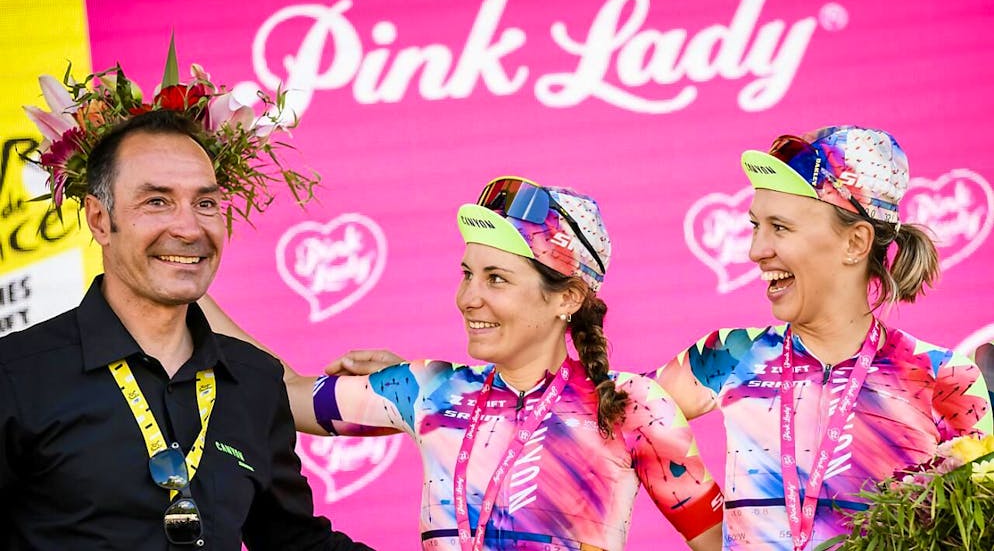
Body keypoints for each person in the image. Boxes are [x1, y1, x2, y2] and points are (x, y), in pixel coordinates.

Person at [208, 176, 724, 550]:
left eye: (495, 279)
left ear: (566, 298)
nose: (467, 298)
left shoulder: (632, 406)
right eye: (467, 274)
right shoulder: (431, 390)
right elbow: (284, 392)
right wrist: (176, 295)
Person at [0, 108, 372, 549]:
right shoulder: (18, 376)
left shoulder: (253, 381)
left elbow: (294, 542)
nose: (188, 227)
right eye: (157, 201)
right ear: (100, 220)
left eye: (206, 203)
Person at [648, 125, 993, 550]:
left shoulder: (943, 377)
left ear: (855, 241)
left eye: (780, 227)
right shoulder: (733, 352)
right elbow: (619, 412)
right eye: (756, 225)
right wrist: (709, 531)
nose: (757, 250)